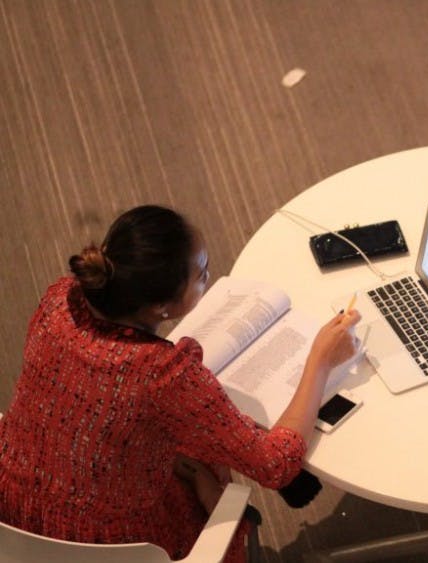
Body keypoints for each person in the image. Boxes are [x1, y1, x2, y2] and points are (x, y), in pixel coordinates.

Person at [0, 205, 361, 562]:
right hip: (110, 545)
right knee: (220, 452)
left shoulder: (58, 300)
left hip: (12, 510)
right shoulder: (161, 376)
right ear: (162, 308)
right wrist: (320, 361)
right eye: (202, 274)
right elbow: (274, 464)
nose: (209, 276)